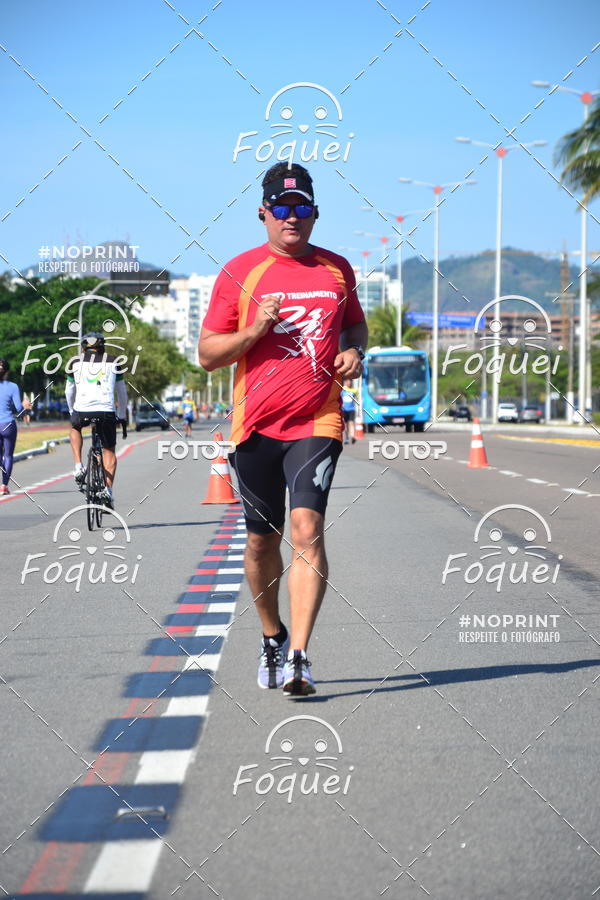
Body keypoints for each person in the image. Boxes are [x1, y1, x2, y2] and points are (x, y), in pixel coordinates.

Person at [199, 162, 367, 697]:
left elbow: (355, 324)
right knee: (259, 542)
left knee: (306, 530)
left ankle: (299, 657)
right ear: (263, 213)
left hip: (317, 419)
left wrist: (354, 352)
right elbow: (208, 355)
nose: (291, 216)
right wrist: (256, 328)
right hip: (255, 427)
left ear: (314, 213)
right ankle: (273, 635)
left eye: (302, 207)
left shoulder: (338, 270)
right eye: (281, 207)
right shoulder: (239, 272)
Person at [65, 332, 128, 507]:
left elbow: (69, 391)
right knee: (109, 450)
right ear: (102, 347)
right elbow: (122, 393)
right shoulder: (114, 361)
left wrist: (71, 411)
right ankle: (108, 491)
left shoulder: (74, 362)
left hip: (82, 409)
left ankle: (78, 466)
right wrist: (122, 415)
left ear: (83, 348)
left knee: (75, 428)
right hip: (106, 411)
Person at [0, 358, 24, 495]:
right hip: (8, 424)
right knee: (8, 455)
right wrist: (26, 408)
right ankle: (4, 486)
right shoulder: (13, 387)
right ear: (7, 371)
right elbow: (19, 409)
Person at [341, 377, 358, 444]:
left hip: (351, 409)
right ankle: (347, 438)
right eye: (347, 381)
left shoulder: (354, 390)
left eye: (350, 381)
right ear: (345, 382)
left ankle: (352, 436)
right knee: (345, 424)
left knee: (351, 423)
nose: (349, 383)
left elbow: (357, 399)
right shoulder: (342, 390)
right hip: (344, 410)